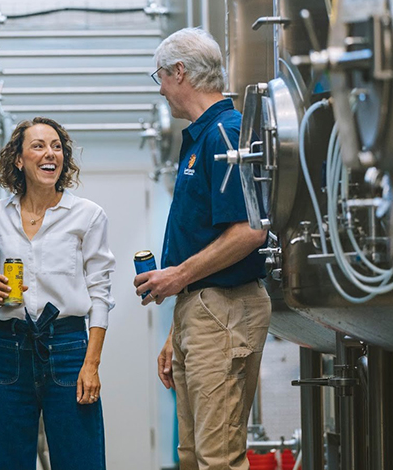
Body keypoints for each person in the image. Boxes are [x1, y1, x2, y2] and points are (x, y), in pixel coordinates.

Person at [133, 27, 271, 469]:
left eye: (159, 77)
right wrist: (177, 332)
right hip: (203, 311)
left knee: (219, 460)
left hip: (225, 310)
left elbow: (251, 230)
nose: (160, 91)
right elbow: (205, 238)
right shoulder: (201, 137)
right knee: (192, 456)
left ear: (179, 73)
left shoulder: (226, 134)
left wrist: (178, 276)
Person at [0, 116, 115, 470]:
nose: (49, 153)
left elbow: (100, 295)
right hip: (9, 348)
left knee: (78, 459)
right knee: (5, 460)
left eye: (56, 147)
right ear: (19, 160)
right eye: (38, 146)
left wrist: (92, 364)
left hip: (67, 348)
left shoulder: (87, 216)